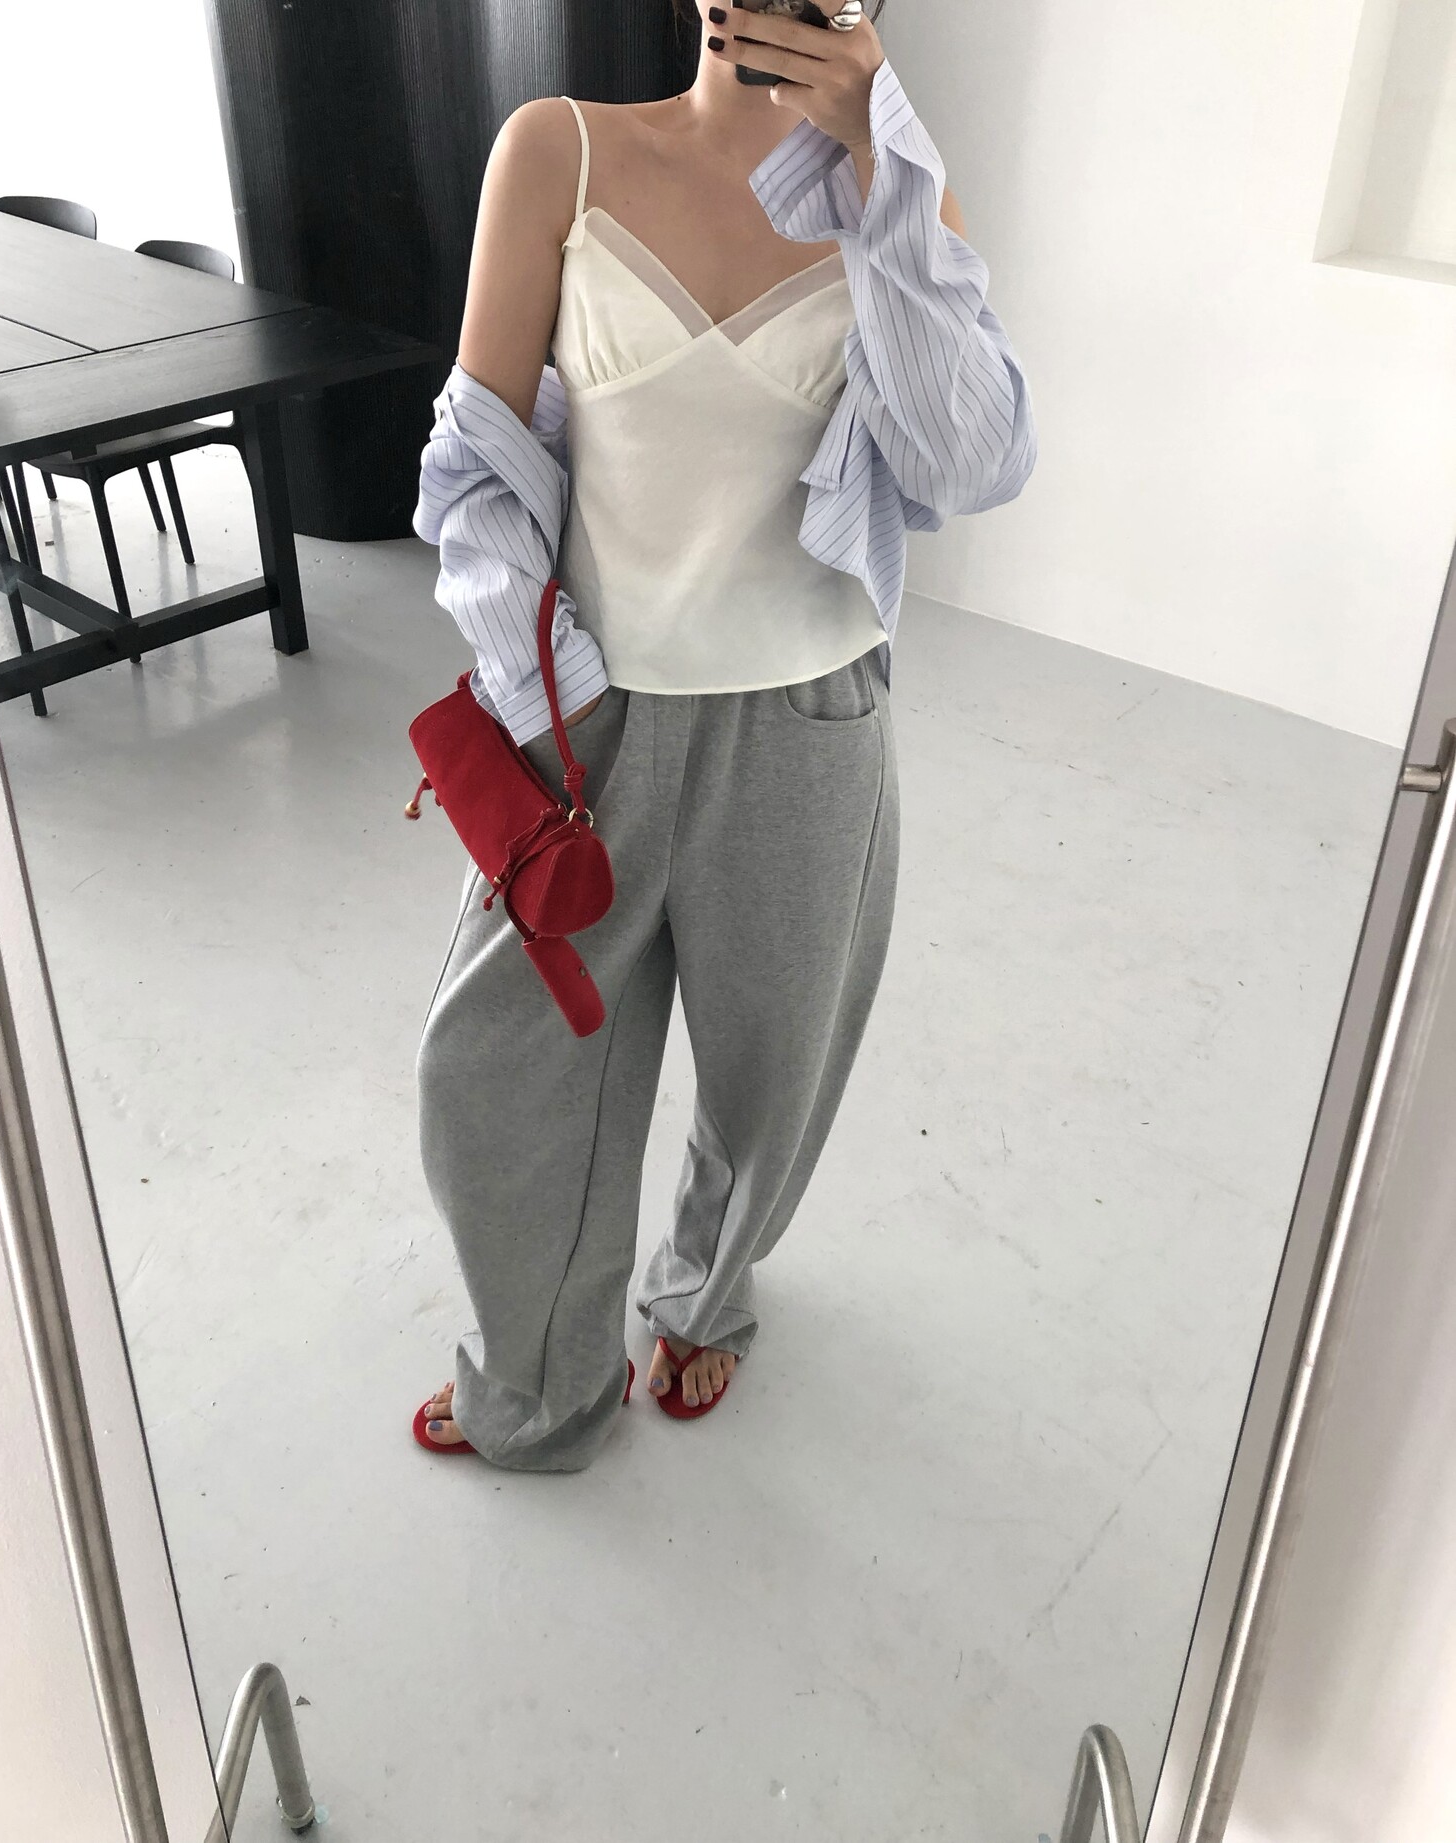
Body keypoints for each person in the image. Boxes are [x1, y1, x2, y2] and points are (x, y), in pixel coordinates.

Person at [410, 0, 1036, 1471]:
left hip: (810, 720)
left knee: (773, 1075)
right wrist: (535, 687)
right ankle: (539, 1378)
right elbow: (479, 459)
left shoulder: (905, 194)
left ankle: (704, 1294)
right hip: (587, 713)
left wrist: (882, 174)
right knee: (498, 1069)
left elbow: (969, 462)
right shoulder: (558, 149)